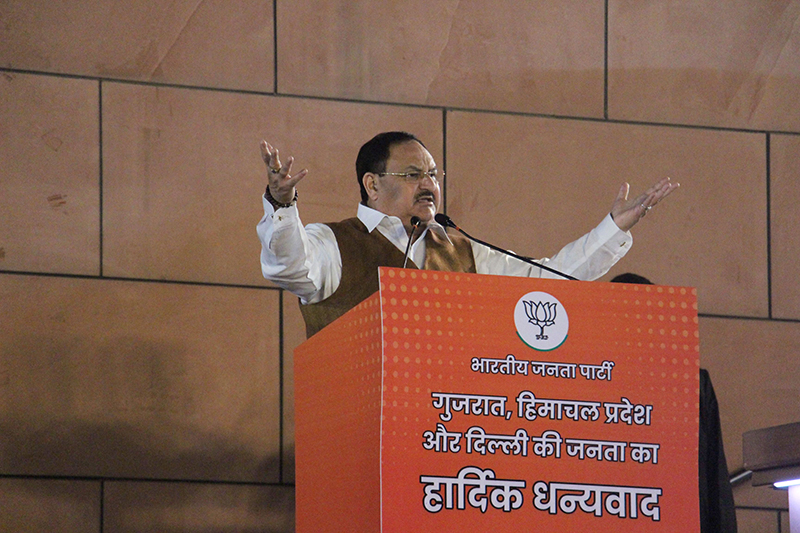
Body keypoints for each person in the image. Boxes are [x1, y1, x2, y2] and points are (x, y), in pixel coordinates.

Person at [258, 131, 679, 337]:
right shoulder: (333, 242)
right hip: (352, 432)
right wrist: (281, 205)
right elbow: (293, 270)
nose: (429, 185)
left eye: (434, 175)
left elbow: (550, 282)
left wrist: (612, 228)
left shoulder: (459, 248)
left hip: (449, 438)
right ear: (371, 184)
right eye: (412, 174)